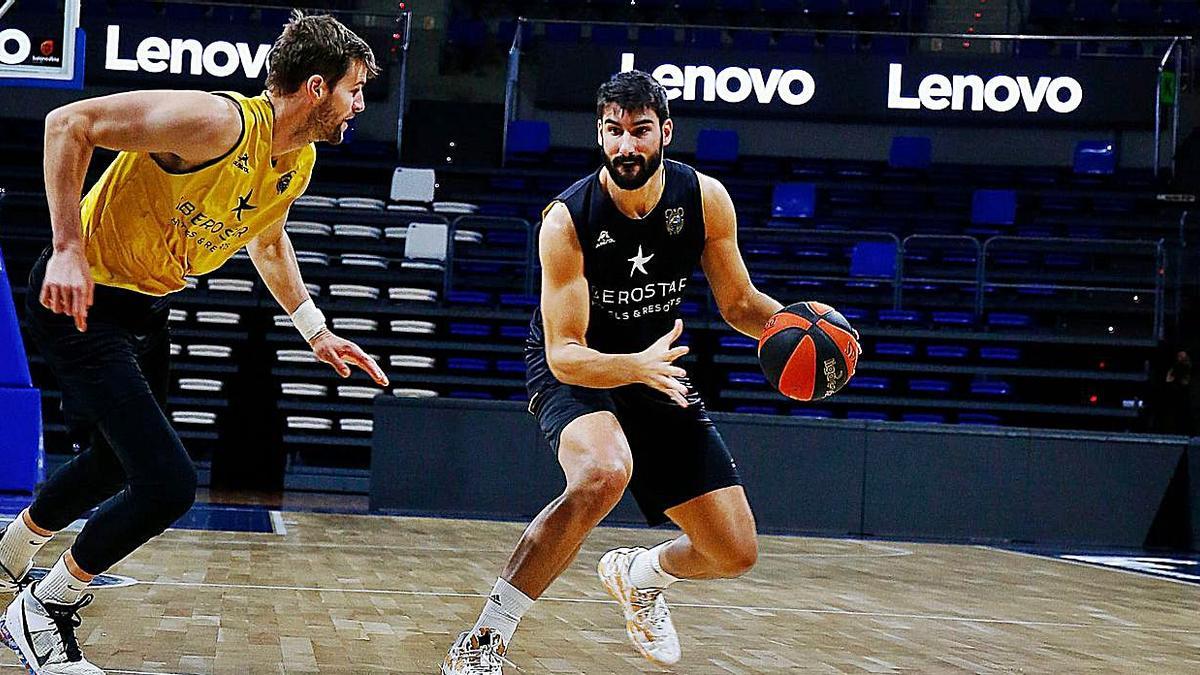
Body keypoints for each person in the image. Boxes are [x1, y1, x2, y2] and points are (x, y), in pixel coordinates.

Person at [0, 12, 388, 674]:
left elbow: (267, 239)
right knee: (169, 483)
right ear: (317, 87)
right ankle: (44, 606)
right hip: (83, 298)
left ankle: (10, 555)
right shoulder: (217, 123)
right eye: (354, 89)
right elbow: (67, 124)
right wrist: (66, 246)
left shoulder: (297, 160)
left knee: (115, 463)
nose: (360, 104)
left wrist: (314, 329)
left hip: (146, 309)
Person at [441, 70, 784, 674]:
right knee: (603, 474)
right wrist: (636, 366)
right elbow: (563, 353)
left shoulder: (703, 199)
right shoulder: (567, 220)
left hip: (654, 370)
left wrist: (801, 326)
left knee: (733, 551)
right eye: (613, 131)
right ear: (599, 134)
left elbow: (738, 305)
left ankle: (639, 573)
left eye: (640, 131)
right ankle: (484, 640)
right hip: (578, 370)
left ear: (666, 132)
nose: (626, 146)